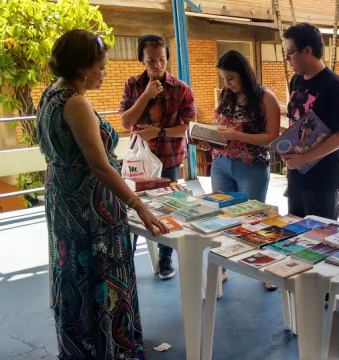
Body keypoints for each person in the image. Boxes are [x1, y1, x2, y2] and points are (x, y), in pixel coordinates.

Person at [37, 29, 168, 359]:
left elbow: (70, 158)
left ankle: (82, 348)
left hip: (65, 204)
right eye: (101, 65)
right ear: (83, 68)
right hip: (91, 214)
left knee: (75, 277)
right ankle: (111, 350)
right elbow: (99, 166)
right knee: (101, 280)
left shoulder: (50, 95)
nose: (105, 71)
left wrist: (134, 185)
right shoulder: (76, 103)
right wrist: (140, 207)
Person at [120, 34, 196, 280]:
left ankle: (165, 258)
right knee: (132, 207)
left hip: (168, 159)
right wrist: (146, 95)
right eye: (151, 60)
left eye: (161, 59)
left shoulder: (181, 89)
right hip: (138, 162)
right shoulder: (133, 85)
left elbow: (188, 128)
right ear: (141, 59)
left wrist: (159, 131)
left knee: (167, 210)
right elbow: (125, 121)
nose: (157, 65)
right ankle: (127, 258)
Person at [204, 50, 280, 290]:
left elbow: (272, 137)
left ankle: (266, 269)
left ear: (244, 74)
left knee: (256, 219)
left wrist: (237, 135)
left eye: (231, 78)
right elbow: (221, 127)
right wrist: (210, 138)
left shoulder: (265, 97)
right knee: (223, 218)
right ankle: (222, 268)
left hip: (252, 166)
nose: (227, 83)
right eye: (224, 78)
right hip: (221, 164)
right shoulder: (227, 96)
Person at [281, 22, 339, 220]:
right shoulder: (296, 80)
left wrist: (305, 157)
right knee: (294, 233)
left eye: (291, 52)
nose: (288, 58)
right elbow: (297, 119)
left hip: (322, 180)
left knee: (319, 238)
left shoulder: (334, 86)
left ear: (307, 50)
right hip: (296, 175)